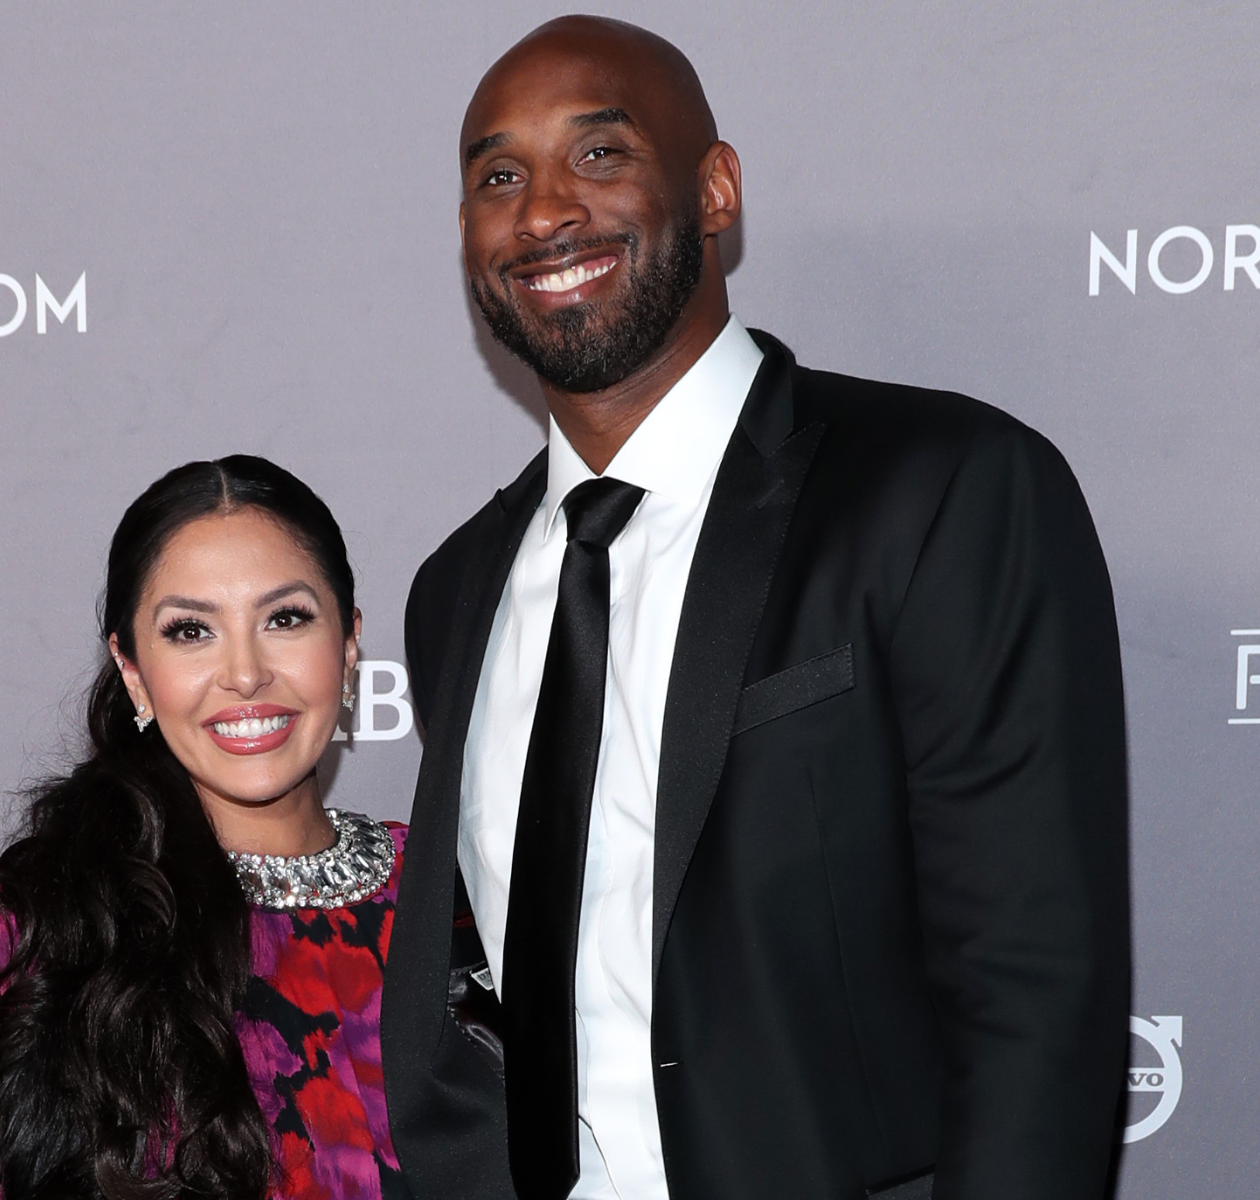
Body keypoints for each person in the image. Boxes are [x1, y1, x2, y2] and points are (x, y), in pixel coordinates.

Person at [383, 16, 1130, 1200]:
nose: (543, 213)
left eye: (601, 154)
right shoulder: (456, 591)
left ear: (715, 187)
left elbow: (1032, 987)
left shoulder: (942, 488)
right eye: (498, 177)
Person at [0, 456, 406, 1200]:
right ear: (134, 671)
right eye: (190, 631)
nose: (244, 673)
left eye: (285, 618)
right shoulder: (43, 913)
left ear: (347, 645)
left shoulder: (455, 892)